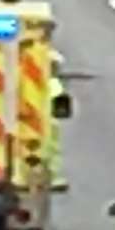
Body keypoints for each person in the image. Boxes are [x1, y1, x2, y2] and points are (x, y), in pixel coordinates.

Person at [45, 50, 69, 192]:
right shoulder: (53, 83)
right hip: (45, 124)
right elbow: (59, 106)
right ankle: (52, 178)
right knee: (51, 150)